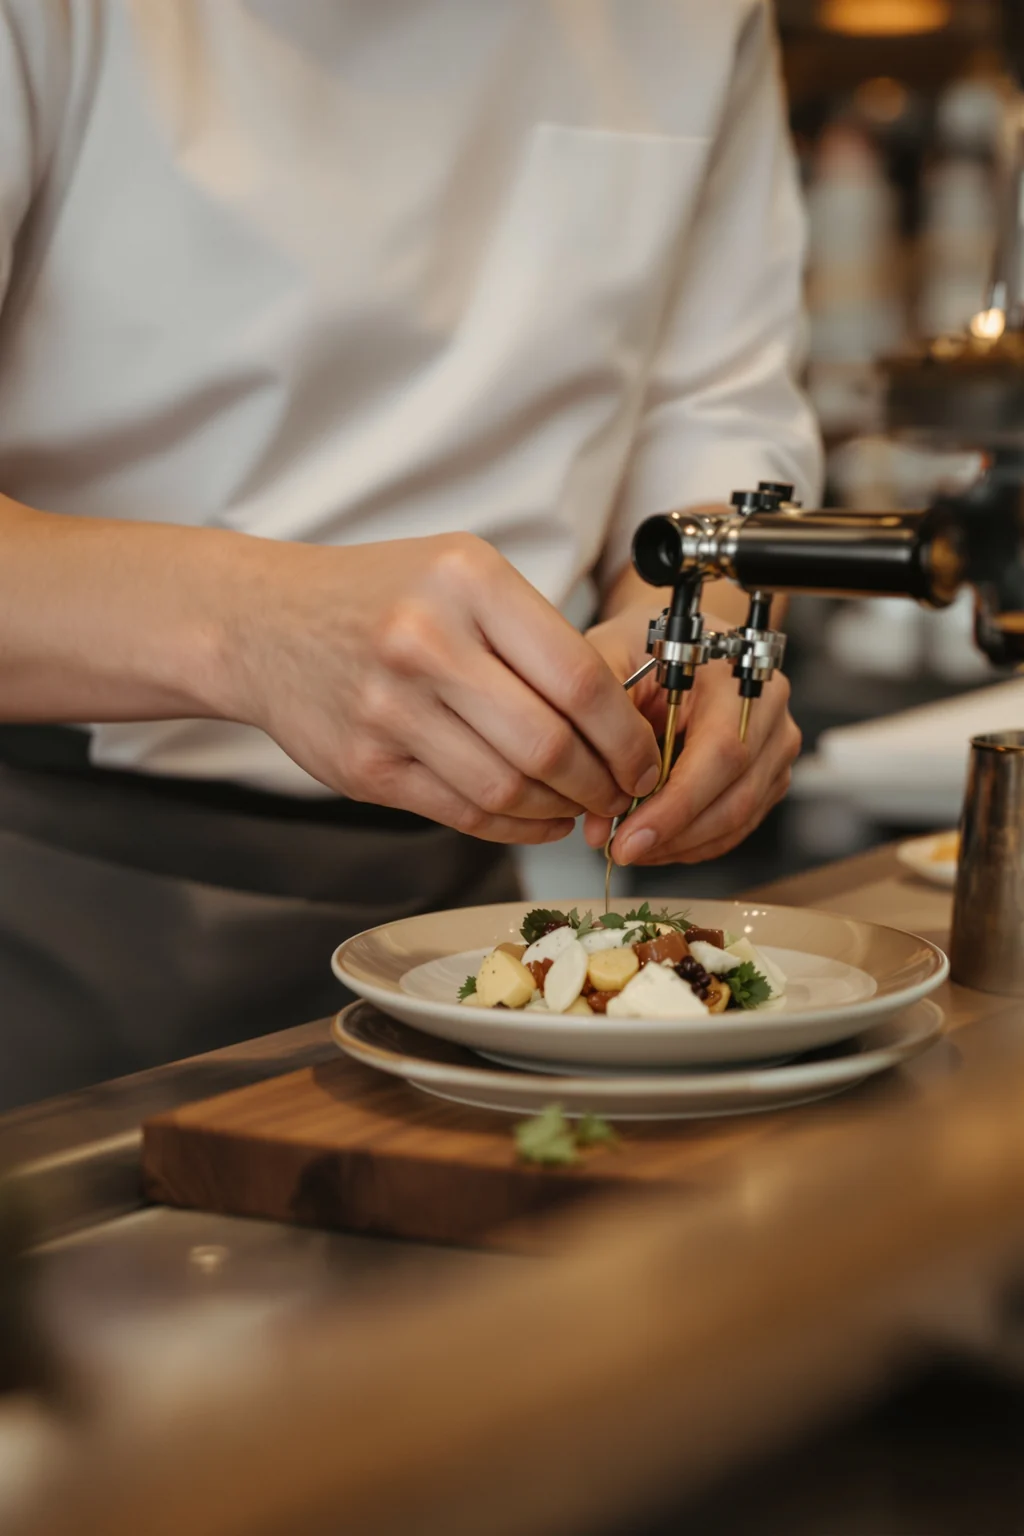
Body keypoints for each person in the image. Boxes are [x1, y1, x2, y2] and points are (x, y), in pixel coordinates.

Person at [0, 0, 821, 1108]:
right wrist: (251, 627)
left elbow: (713, 416)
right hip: (49, 893)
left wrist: (706, 628)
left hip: (461, 912)